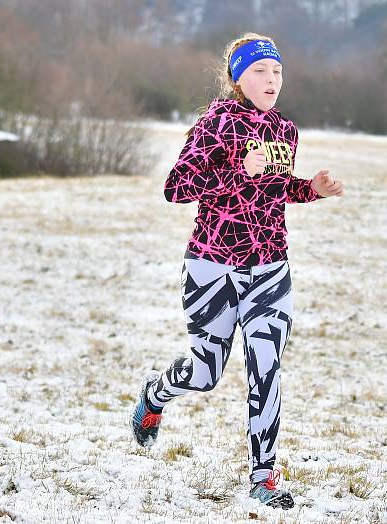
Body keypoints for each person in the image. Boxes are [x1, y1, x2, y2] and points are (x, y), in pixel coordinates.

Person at [130, 32, 344, 510]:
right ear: (237, 77)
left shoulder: (285, 128)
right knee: (205, 372)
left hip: (269, 265)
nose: (271, 80)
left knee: (266, 367)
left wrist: (311, 189)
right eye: (260, 72)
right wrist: (236, 172)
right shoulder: (217, 122)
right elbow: (176, 187)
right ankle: (155, 394)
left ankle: (264, 477)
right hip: (212, 265)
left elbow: (273, 189)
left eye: (277, 71)